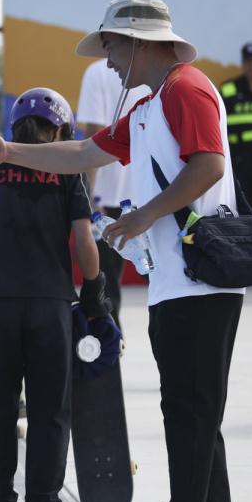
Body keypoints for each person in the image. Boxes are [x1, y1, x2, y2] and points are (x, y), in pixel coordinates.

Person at [0, 0, 243, 502]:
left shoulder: (186, 89)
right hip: (176, 281)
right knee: (196, 410)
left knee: (188, 411)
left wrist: (144, 216)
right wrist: (8, 151)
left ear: (141, 42)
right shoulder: (150, 104)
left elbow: (209, 166)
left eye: (112, 48)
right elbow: (84, 151)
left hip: (198, 283)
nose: (108, 62)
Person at [0, 87, 109, 502]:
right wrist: (94, 294)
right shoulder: (65, 173)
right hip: (50, 303)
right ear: (60, 129)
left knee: (0, 403)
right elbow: (84, 241)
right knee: (49, 406)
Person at [77, 59, 150, 326]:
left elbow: (94, 134)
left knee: (105, 281)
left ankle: (109, 346)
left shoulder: (97, 72)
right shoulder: (155, 72)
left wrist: (88, 197)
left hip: (107, 198)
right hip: (148, 194)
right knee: (159, 273)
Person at [219, 43, 252, 215]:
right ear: (243, 64)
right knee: (246, 209)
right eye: (248, 62)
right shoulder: (229, 90)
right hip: (240, 161)